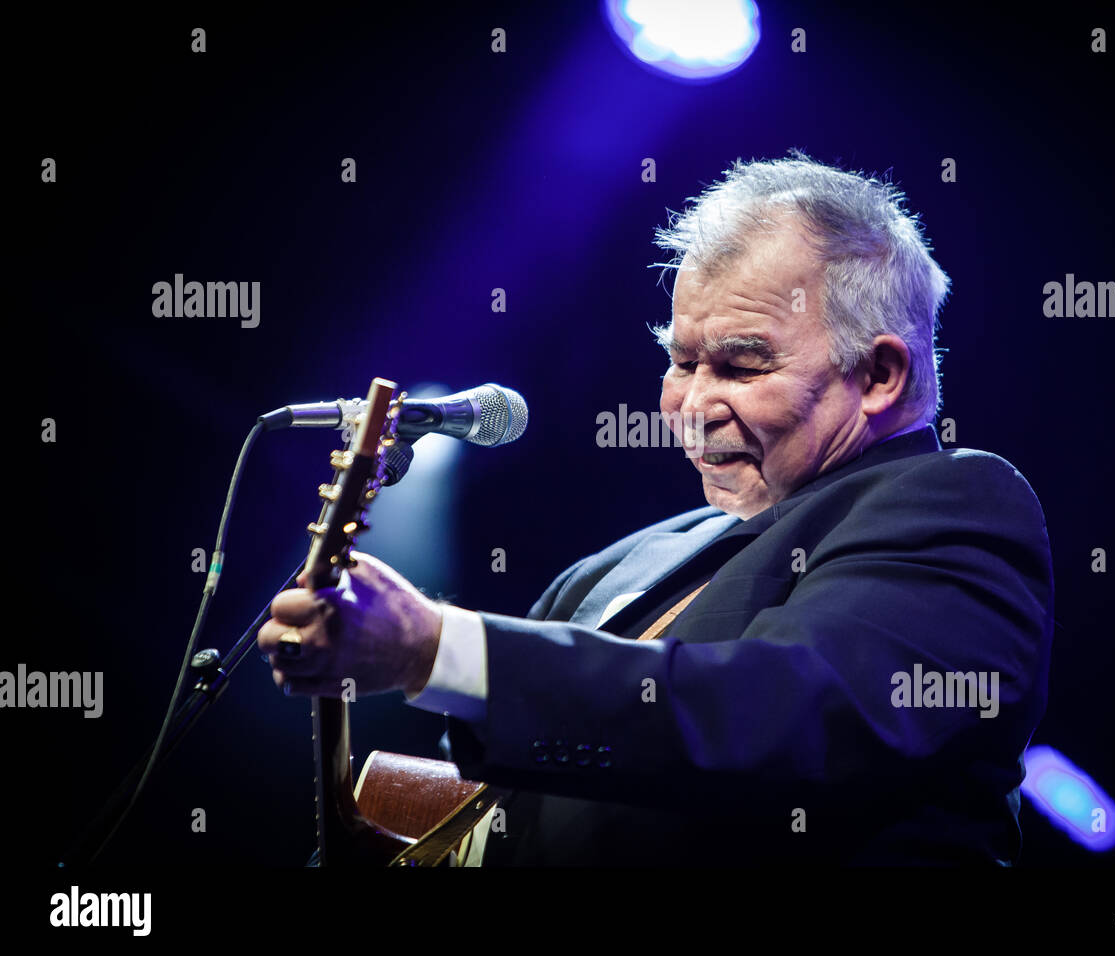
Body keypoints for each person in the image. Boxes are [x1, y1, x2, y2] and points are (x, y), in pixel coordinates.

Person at [258, 151, 1054, 865]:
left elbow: (786, 716)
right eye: (681, 361)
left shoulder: (958, 506)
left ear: (879, 374)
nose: (692, 404)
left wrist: (436, 648)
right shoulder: (621, 565)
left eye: (742, 365)